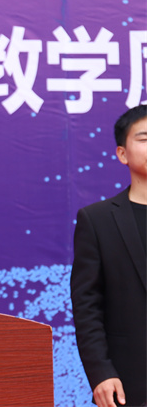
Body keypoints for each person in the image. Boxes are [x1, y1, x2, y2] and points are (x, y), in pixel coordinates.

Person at [71, 104, 147, 407]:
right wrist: (101, 373)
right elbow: (87, 305)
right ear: (122, 154)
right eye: (145, 138)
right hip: (132, 381)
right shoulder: (97, 220)